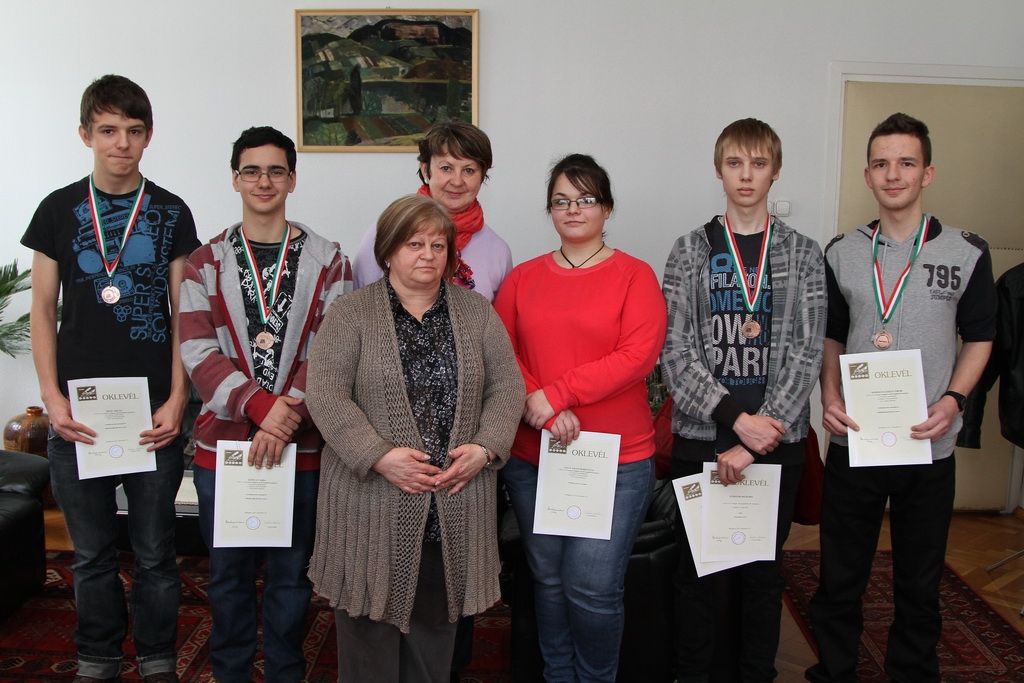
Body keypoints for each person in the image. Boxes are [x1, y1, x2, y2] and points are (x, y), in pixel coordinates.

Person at [806, 112, 996, 683]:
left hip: (928, 442)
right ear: (867, 175)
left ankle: (912, 671)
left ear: (927, 173)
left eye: (906, 163)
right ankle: (834, 669)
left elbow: (980, 337)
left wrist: (954, 400)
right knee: (840, 573)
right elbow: (831, 336)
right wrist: (830, 396)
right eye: (882, 164)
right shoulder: (842, 251)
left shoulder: (966, 251)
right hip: (857, 439)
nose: (893, 175)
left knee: (919, 576)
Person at [22, 74, 200, 683]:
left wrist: (178, 398)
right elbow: (40, 311)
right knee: (93, 554)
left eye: (133, 130)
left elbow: (185, 314)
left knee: (155, 554)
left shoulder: (171, 211)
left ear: (148, 137)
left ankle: (156, 659)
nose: (121, 143)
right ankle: (97, 657)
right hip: (79, 414)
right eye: (108, 130)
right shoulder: (57, 209)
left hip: (153, 413)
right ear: (85, 135)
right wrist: (51, 399)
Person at [306, 194, 524, 683]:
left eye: (438, 245)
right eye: (414, 244)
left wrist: (485, 447)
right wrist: (379, 456)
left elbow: (508, 387)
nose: (428, 255)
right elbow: (326, 395)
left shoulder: (477, 313)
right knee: (367, 645)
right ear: (388, 251)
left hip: (452, 506)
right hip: (369, 507)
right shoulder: (350, 313)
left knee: (433, 641)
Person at [178, 126, 351, 682]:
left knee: (290, 577)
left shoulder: (330, 261)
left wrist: (285, 419)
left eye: (276, 171)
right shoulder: (204, 262)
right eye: (251, 171)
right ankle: (229, 672)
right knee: (227, 577)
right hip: (224, 449)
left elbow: (332, 350)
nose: (264, 181)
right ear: (235, 179)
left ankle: (284, 671)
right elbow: (196, 349)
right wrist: (259, 408)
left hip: (300, 449)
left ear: (292, 180)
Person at [661, 118, 826, 682]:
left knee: (761, 576)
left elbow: (807, 351)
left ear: (775, 171)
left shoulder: (803, 253)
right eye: (735, 163)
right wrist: (737, 421)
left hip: (776, 446)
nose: (747, 175)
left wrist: (761, 435)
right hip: (702, 440)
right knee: (698, 576)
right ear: (719, 171)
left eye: (758, 164)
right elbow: (674, 351)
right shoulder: (688, 251)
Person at [493, 153, 667, 682]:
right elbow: (501, 353)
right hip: (534, 457)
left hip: (615, 461)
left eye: (586, 199)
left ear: (607, 209)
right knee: (547, 582)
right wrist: (541, 407)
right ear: (550, 210)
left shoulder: (635, 276)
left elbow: (638, 354)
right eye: (561, 201)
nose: (573, 209)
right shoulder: (522, 278)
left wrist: (558, 394)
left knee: (593, 589)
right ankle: (557, 676)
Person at [352, 120, 512, 301]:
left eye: (469, 170)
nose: (457, 181)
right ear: (426, 170)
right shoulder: (385, 233)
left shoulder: (498, 251)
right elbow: (359, 304)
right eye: (446, 168)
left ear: (482, 176)